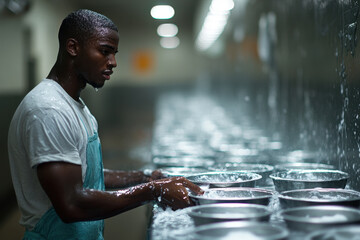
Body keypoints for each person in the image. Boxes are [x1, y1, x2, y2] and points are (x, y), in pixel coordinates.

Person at [8, 9, 203, 240]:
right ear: (73, 47)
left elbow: (87, 174)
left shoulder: (75, 105)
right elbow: (71, 204)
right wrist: (153, 190)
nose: (113, 62)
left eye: (114, 53)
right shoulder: (48, 110)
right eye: (104, 52)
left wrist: (147, 177)